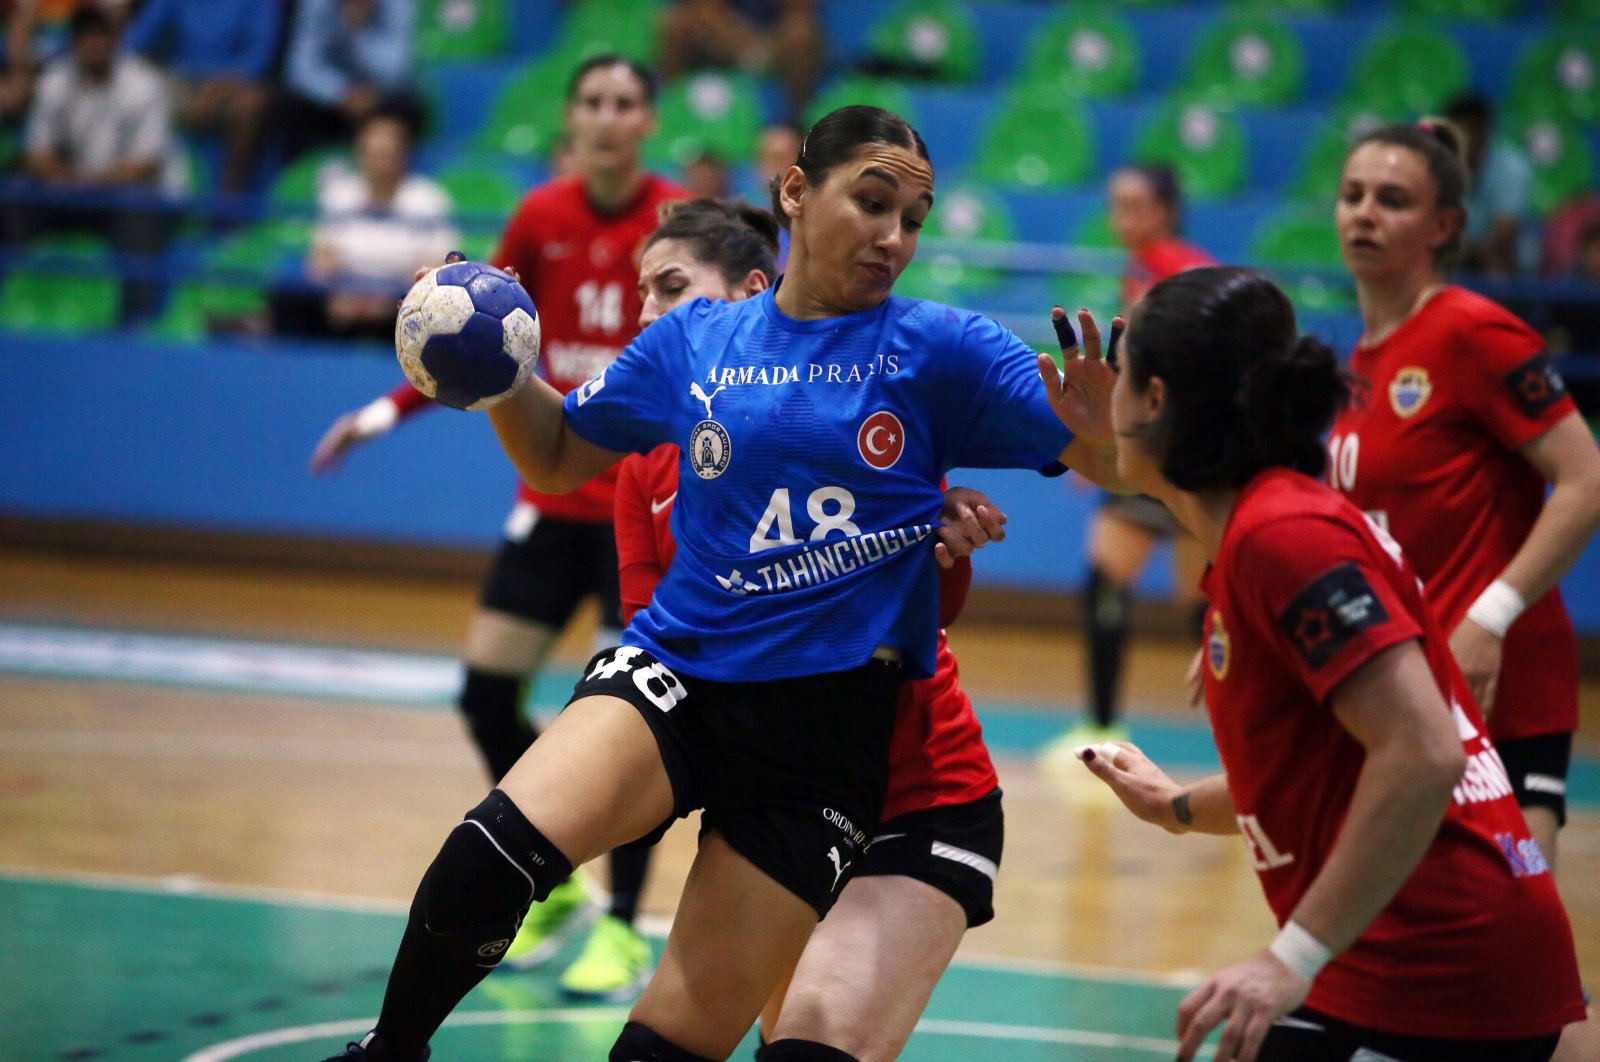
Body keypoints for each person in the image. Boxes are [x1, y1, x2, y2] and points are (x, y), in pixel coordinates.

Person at [317, 103, 1123, 1062]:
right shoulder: (693, 340)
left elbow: (1108, 462)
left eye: (913, 217)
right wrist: (500, 372)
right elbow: (560, 453)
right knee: (490, 853)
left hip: (825, 737)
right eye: (871, 202)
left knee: (666, 1048)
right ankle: (387, 1053)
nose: (893, 236)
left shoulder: (945, 351)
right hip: (683, 675)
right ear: (795, 190)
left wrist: (1110, 437)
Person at [1079, 264, 1585, 1062]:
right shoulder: (1265, 524)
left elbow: (1422, 751)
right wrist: (1175, 809)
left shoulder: (1286, 540)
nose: (1108, 393)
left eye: (1123, 373)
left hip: (1439, 966)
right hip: (1426, 958)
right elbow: (1320, 769)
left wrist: (1290, 959)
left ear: (1154, 400)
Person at [309, 55, 688, 1000]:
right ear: (572, 118)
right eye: (593, 101)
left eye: (626, 103)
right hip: (552, 499)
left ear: (648, 120)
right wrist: (382, 412)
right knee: (485, 690)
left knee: (637, 729)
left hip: (640, 504)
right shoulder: (542, 217)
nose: (609, 117)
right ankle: (550, 867)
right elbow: (476, 343)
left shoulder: (676, 222)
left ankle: (627, 925)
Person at [621, 197, 1011, 1060]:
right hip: (777, 800)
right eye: (641, 293)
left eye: (672, 289)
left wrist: (941, 549)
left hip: (916, 799)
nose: (646, 315)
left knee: (807, 1049)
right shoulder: (646, 466)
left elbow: (925, 629)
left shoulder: (855, 417)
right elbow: (665, 664)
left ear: (752, 299)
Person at [1324, 118, 1600, 1058]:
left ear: (1444, 224)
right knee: (1430, 959)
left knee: (1520, 955)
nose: (1366, 213)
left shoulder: (1475, 332)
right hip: (1413, 701)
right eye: (1355, 194)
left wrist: (1490, 615)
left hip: (1503, 690)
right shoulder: (1356, 366)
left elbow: (1587, 475)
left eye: (1393, 199)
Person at [1042, 163, 1212, 765]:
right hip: (1171, 456)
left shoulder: (1175, 272)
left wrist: (1131, 445)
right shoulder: (1142, 268)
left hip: (1176, 456)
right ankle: (1110, 724)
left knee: (1129, 586)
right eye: (1115, 203)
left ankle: (1109, 725)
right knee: (1193, 605)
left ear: (1165, 210)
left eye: (1135, 204)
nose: (1122, 216)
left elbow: (1179, 366)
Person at [2, 4, 183, 323]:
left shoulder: (144, 84)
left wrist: (90, 182)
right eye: (86, 35)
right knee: (14, 189)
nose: (94, 43)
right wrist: (70, 179)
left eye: (101, 34)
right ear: (74, 41)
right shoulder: (56, 80)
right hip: (73, 191)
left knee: (139, 210)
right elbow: (35, 153)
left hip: (127, 195)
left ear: (116, 39)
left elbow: (146, 164)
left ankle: (136, 321)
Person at [274, 109, 457, 341]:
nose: (380, 162)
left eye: (387, 154)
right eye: (374, 153)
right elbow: (321, 259)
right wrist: (341, 293)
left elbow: (438, 264)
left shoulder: (428, 198)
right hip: (345, 296)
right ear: (361, 154)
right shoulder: (339, 194)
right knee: (287, 301)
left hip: (402, 301)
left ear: (404, 155)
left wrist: (390, 297)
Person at [122, 0, 280, 194]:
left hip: (233, 86)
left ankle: (228, 201)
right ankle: (140, 191)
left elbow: (260, 56)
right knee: (140, 88)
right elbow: (135, 43)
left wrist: (219, 88)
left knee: (251, 106)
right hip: (181, 82)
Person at [279, 0, 419, 164]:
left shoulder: (399, 5)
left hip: (381, 94)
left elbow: (398, 70)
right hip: (335, 99)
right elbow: (301, 68)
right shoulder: (316, 4)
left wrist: (358, 30)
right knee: (290, 105)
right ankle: (299, 178)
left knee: (408, 104)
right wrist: (340, 92)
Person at [658, 0, 822, 123]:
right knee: (676, 22)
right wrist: (746, 49)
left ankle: (796, 120)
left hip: (773, 41)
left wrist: (761, 50)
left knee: (800, 33)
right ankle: (666, 113)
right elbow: (705, 9)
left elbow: (799, 10)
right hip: (721, 38)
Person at [1444, 93, 1533, 277]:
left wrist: (1466, 252)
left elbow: (1505, 232)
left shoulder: (1511, 167)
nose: (1467, 138)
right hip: (1453, 253)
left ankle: (1504, 304)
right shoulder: (1436, 166)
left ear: (1486, 131)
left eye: (1472, 130)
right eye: (1460, 131)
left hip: (1498, 256)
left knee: (1496, 261)